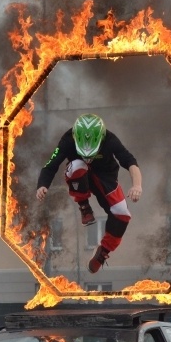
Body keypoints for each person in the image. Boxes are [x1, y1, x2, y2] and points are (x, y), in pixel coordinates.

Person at [36, 113, 142, 273]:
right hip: (79, 176)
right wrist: (42, 185)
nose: (89, 158)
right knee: (78, 165)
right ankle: (84, 205)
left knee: (123, 214)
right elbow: (51, 165)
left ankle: (103, 251)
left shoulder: (110, 139)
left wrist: (137, 186)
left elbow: (130, 162)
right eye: (85, 154)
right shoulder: (68, 139)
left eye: (92, 154)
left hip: (105, 177)